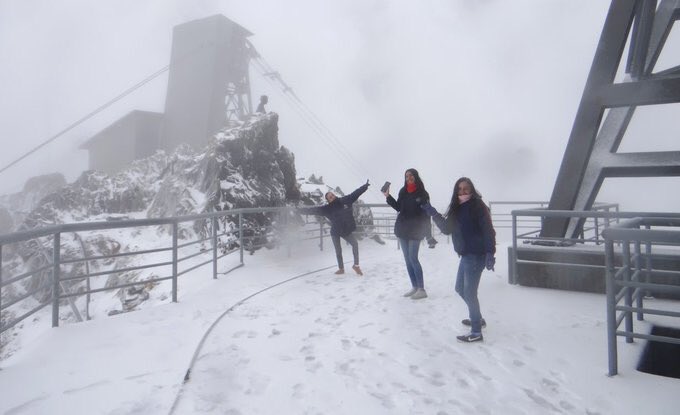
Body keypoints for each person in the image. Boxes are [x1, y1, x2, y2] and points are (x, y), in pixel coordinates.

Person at [422, 177, 496, 343]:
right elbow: (447, 229)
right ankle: (477, 318)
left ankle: (476, 331)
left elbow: (488, 230)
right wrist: (433, 213)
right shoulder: (457, 208)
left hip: (477, 255)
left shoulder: (478, 206)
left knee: (469, 293)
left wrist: (490, 252)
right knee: (460, 289)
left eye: (466, 188)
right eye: (459, 189)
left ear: (471, 190)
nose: (462, 191)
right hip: (466, 254)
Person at [299, 181, 370, 275]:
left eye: (332, 195)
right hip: (335, 231)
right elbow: (313, 210)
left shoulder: (345, 200)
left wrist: (365, 186)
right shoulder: (327, 209)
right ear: (328, 200)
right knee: (338, 250)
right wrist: (300, 210)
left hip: (346, 230)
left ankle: (356, 266)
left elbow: (356, 193)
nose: (332, 196)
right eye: (330, 197)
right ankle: (341, 269)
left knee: (355, 244)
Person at [383, 168, 432, 300]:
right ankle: (415, 287)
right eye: (406, 176)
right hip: (403, 229)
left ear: (415, 176)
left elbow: (427, 214)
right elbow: (399, 207)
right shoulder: (403, 191)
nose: (408, 178)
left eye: (411, 175)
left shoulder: (423, 193)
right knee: (407, 260)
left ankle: (422, 289)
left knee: (413, 258)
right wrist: (388, 196)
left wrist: (429, 235)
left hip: (416, 230)